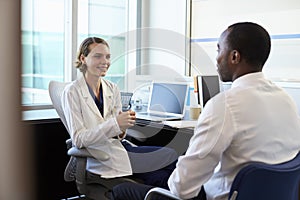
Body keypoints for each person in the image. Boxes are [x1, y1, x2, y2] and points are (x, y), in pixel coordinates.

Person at [110, 22, 300, 200]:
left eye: (219, 49)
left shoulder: (225, 105)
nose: (216, 58)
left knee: (123, 190)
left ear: (234, 56)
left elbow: (182, 189)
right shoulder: (285, 100)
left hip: (222, 195)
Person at [61, 37, 177, 190]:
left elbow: (117, 134)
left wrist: (123, 126)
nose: (105, 61)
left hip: (119, 149)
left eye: (107, 57)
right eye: (98, 56)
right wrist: (116, 123)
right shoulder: (72, 92)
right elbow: (79, 140)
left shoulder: (112, 88)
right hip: (99, 157)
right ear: (83, 58)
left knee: (166, 175)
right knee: (171, 157)